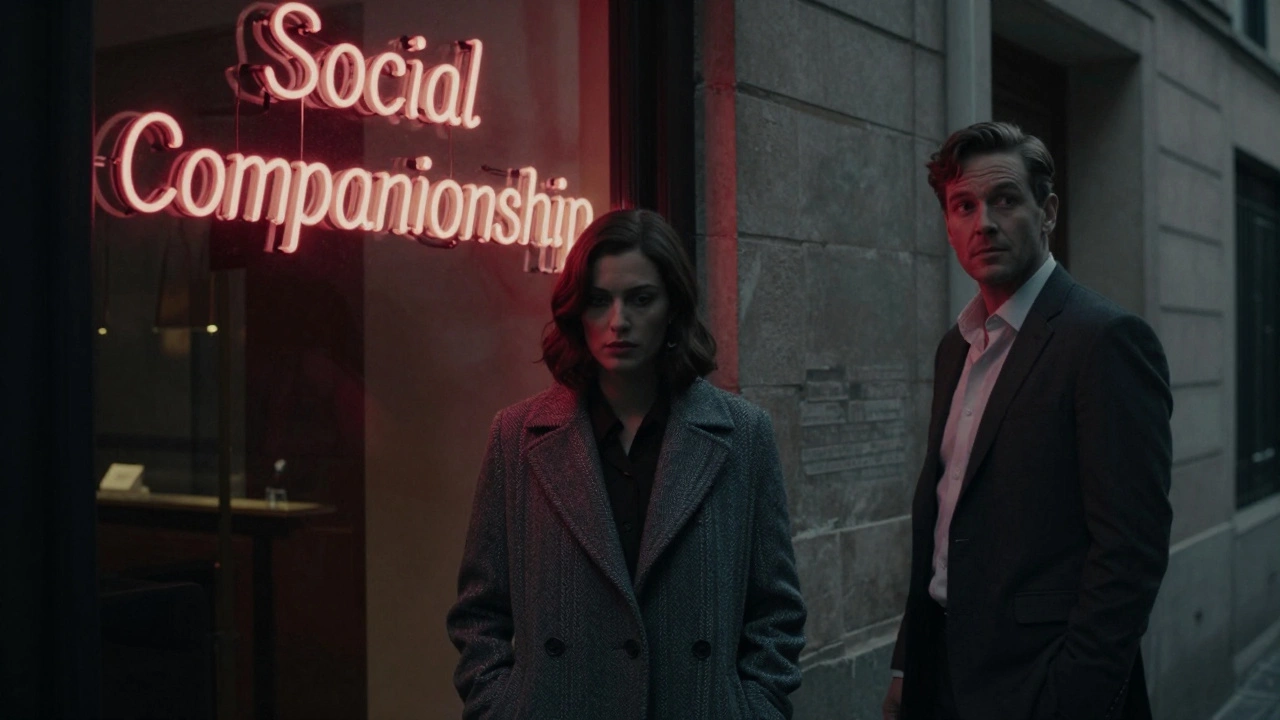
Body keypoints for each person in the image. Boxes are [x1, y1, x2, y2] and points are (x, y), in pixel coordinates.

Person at [447, 208, 806, 720]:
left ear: (672, 306)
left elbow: (776, 613)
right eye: (599, 300)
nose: (618, 321)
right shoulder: (518, 435)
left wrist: (753, 709)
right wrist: (503, 708)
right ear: (577, 310)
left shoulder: (742, 435)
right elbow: (479, 613)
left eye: (640, 299)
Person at [881, 122, 1173, 720]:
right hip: (941, 675)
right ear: (949, 224)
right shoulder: (956, 347)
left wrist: (1071, 697)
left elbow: (1131, 550)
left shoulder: (1106, 341)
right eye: (964, 206)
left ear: (1048, 212)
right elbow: (944, 519)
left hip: (1039, 684)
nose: (984, 222)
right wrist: (909, 665)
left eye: (1005, 200)